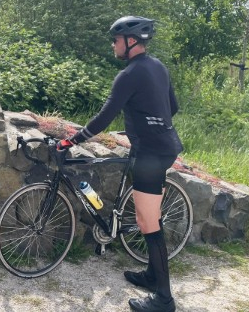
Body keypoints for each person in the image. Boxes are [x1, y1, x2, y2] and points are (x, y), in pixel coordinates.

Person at [58, 16, 182, 312]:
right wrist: (147, 124)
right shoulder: (158, 67)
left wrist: (72, 140)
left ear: (131, 41)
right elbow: (173, 107)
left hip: (150, 154)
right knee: (149, 218)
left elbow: (104, 117)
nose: (113, 45)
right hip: (163, 147)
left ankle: (164, 299)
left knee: (148, 222)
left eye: (115, 40)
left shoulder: (129, 74)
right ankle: (152, 275)